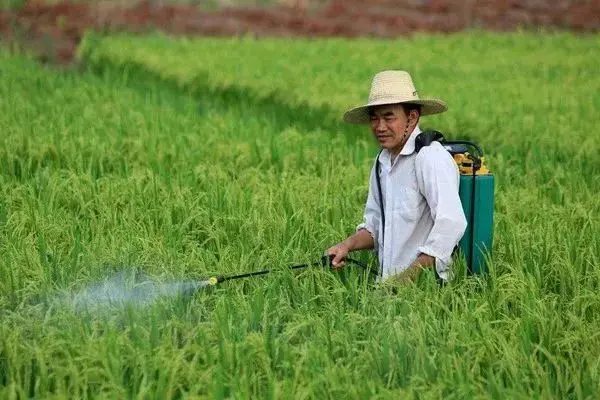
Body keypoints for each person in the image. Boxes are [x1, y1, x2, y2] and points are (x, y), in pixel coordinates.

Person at [326, 70, 467, 284]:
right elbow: (374, 226)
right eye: (374, 119)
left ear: (412, 117)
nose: (380, 127)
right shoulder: (382, 162)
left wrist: (408, 278)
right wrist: (346, 246)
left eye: (389, 117)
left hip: (425, 292)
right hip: (388, 291)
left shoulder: (429, 158)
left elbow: (451, 223)